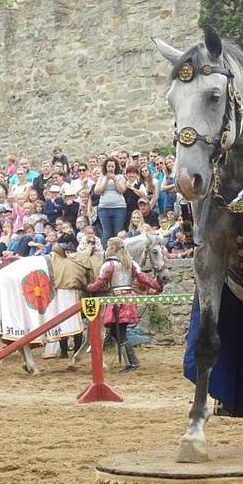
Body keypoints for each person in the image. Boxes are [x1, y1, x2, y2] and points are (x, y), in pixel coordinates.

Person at [86, 237, 162, 372]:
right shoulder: (130, 262)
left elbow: (100, 283)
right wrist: (156, 285)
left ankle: (131, 363)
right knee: (118, 332)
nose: (107, 249)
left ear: (114, 248)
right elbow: (143, 278)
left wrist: (88, 287)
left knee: (119, 332)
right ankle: (132, 361)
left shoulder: (108, 265)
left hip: (116, 301)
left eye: (109, 247)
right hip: (127, 299)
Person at [94, 157, 127, 246]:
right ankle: (106, 253)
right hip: (104, 208)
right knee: (106, 233)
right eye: (109, 166)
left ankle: (120, 252)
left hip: (119, 207)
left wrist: (115, 179)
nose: (110, 168)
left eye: (112, 166)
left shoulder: (120, 176)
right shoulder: (101, 177)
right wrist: (106, 181)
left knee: (118, 231)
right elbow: (97, 191)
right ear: (105, 167)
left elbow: (122, 190)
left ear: (115, 167)